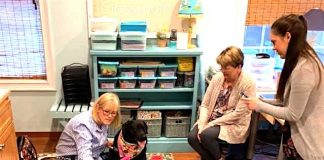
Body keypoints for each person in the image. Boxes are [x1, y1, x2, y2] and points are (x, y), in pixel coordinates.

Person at [243, 14, 324, 159]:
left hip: (307, 144)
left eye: (274, 42)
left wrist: (259, 106)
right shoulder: (298, 62)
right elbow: (288, 103)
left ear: (287, 37)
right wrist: (260, 102)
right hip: (294, 138)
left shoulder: (305, 69)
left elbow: (293, 114)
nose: (273, 48)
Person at [187, 46, 256, 160]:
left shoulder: (248, 83)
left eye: (227, 68)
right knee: (192, 137)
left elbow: (237, 114)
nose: (223, 71)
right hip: (212, 118)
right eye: (222, 67)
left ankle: (218, 157)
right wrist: (202, 124)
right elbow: (205, 104)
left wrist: (210, 125)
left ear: (239, 67)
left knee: (206, 135)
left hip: (232, 122)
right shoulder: (218, 77)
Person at [56, 93, 122, 160]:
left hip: (93, 154)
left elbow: (96, 138)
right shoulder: (82, 124)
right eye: (106, 111)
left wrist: (106, 142)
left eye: (113, 113)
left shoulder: (102, 119)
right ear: (98, 108)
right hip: (70, 157)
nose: (110, 116)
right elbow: (84, 156)